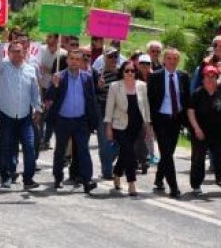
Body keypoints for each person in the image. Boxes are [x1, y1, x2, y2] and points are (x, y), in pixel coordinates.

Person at [0, 39, 41, 191]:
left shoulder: (30, 69)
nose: (17, 54)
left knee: (29, 147)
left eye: (20, 51)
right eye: (14, 51)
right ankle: (6, 177)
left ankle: (28, 178)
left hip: (25, 117)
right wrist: (2, 43)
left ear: (24, 52)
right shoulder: (2, 67)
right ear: (8, 53)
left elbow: (34, 92)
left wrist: (38, 108)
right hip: (6, 115)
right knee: (5, 147)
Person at [47, 49, 98, 194]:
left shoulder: (87, 78)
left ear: (81, 61)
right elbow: (49, 97)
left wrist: (92, 122)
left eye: (77, 59)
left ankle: (87, 180)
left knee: (83, 150)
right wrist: (54, 85)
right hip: (63, 119)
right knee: (60, 150)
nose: (75, 61)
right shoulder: (59, 77)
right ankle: (58, 178)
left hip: (81, 120)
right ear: (67, 60)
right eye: (72, 58)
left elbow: (91, 100)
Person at [187, 63, 221, 196]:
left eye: (213, 76)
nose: (210, 79)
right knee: (198, 158)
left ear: (217, 78)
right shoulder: (197, 93)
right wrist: (196, 128)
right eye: (208, 76)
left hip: (219, 131)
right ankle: (196, 185)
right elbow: (190, 111)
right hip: (201, 131)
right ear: (203, 78)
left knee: (220, 158)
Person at [147, 47, 190, 199]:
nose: (172, 62)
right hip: (161, 119)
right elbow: (150, 101)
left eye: (175, 59)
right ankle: (174, 186)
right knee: (166, 152)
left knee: (168, 153)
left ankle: (159, 178)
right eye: (169, 59)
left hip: (176, 119)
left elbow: (186, 99)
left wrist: (187, 120)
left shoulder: (183, 76)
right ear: (164, 60)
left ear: (178, 61)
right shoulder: (155, 77)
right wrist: (150, 122)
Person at [105, 60, 151, 195]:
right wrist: (108, 127)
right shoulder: (115, 86)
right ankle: (132, 183)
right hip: (119, 126)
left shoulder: (142, 86)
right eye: (127, 71)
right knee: (130, 153)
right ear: (122, 72)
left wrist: (147, 125)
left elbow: (146, 107)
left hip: (136, 126)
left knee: (126, 153)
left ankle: (117, 172)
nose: (130, 73)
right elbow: (109, 108)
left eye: (132, 71)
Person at [94, 49, 122, 180]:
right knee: (104, 142)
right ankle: (107, 171)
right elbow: (94, 93)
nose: (113, 59)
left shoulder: (122, 73)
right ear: (105, 58)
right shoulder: (100, 75)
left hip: (119, 111)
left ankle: (108, 161)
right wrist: (98, 86)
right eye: (110, 56)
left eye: (115, 56)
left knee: (120, 142)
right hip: (103, 110)